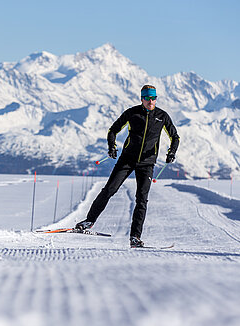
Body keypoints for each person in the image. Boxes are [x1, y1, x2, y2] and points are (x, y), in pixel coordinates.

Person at [75, 85, 180, 247]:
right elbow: (113, 130)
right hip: (127, 160)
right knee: (109, 190)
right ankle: (89, 221)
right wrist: (112, 146)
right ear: (142, 99)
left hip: (147, 163)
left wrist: (171, 152)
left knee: (141, 199)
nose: (150, 101)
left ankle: (135, 237)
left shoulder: (162, 116)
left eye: (153, 98)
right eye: (147, 98)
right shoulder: (132, 113)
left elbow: (175, 137)